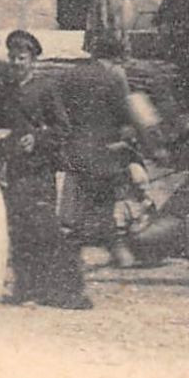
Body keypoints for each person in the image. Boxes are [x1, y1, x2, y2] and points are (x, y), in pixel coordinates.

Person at [0, 29, 90, 309]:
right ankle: (25, 288)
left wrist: (37, 139)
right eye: (13, 57)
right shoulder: (6, 90)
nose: (16, 63)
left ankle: (65, 291)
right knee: (19, 230)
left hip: (39, 169)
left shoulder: (46, 89)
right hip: (14, 169)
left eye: (22, 58)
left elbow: (63, 128)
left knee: (45, 229)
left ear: (33, 60)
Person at [56, 32, 138, 254]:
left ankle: (80, 239)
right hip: (104, 148)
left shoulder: (69, 76)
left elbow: (58, 109)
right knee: (107, 194)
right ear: (114, 57)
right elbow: (126, 113)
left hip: (76, 145)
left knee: (83, 192)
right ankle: (114, 244)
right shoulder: (113, 77)